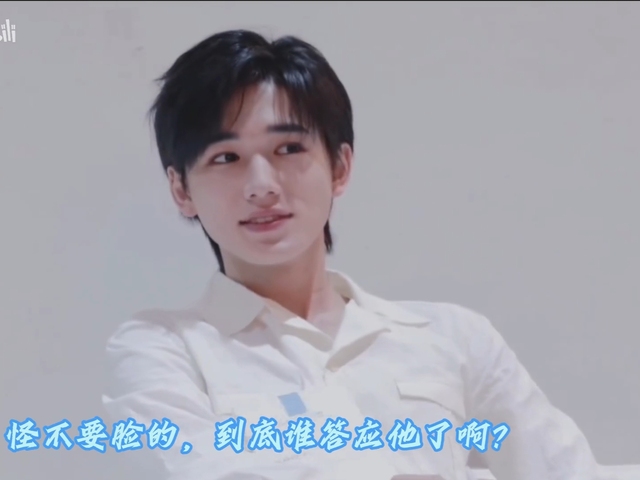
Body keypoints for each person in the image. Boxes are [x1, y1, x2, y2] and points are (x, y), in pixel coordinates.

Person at [102, 29, 602, 480]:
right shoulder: (161, 350)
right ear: (181, 190)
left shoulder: (456, 338)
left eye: (288, 149)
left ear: (340, 166)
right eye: (226, 157)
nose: (261, 185)